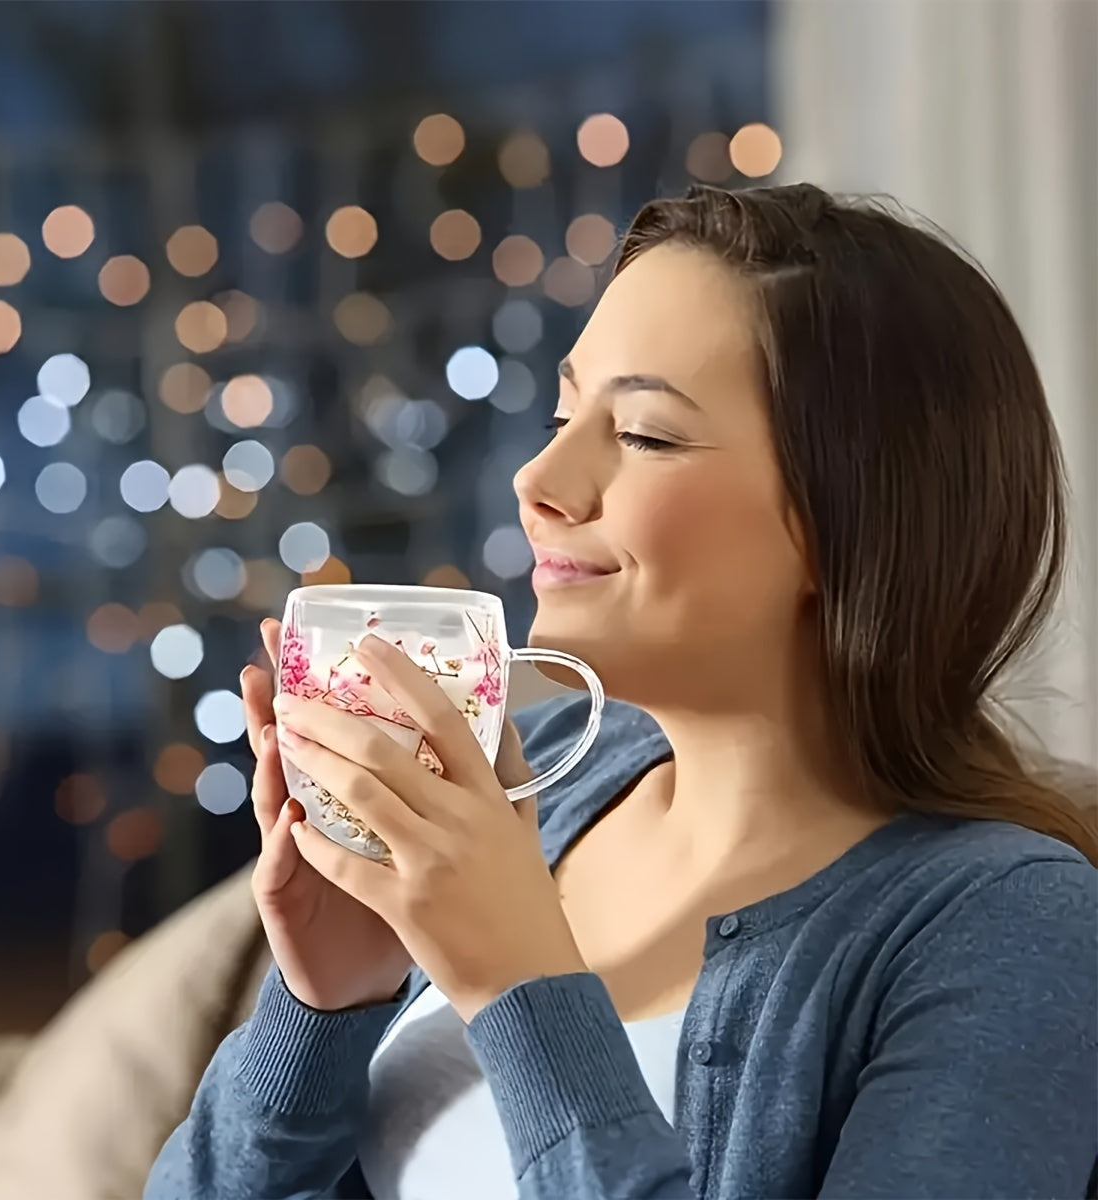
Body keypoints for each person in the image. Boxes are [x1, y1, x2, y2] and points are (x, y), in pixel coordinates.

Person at [145, 183, 1098, 1200]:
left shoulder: (1012, 927)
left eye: (642, 433)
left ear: (850, 514)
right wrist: (325, 1007)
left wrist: (520, 981)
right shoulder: (546, 778)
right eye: (564, 413)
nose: (540, 477)